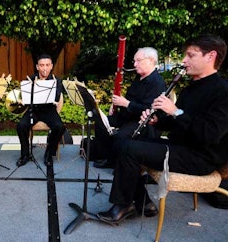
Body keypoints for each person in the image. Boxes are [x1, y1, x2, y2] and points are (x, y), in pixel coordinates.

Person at [97, 34, 228, 225]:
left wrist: (175, 111)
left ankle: (123, 205)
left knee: (128, 149)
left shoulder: (222, 91)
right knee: (122, 143)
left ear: (211, 56)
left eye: (191, 55)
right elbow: (177, 123)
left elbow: (210, 134)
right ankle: (143, 203)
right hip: (180, 148)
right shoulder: (190, 88)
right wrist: (156, 120)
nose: (184, 60)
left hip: (201, 157)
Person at [92, 47, 166, 168]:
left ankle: (113, 162)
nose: (135, 64)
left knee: (122, 135)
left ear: (151, 60)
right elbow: (130, 98)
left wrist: (126, 104)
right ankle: (104, 155)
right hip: (129, 115)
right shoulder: (139, 78)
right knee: (100, 122)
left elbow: (148, 109)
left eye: (139, 61)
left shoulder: (157, 82)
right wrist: (116, 104)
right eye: (134, 61)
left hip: (143, 121)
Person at [16, 53, 65, 167]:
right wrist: (23, 100)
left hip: (49, 110)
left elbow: (57, 97)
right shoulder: (30, 79)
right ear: (37, 67)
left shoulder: (56, 80)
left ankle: (49, 153)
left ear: (51, 66)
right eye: (42, 65)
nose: (45, 68)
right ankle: (25, 154)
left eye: (47, 65)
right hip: (34, 110)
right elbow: (24, 96)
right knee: (21, 125)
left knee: (60, 127)